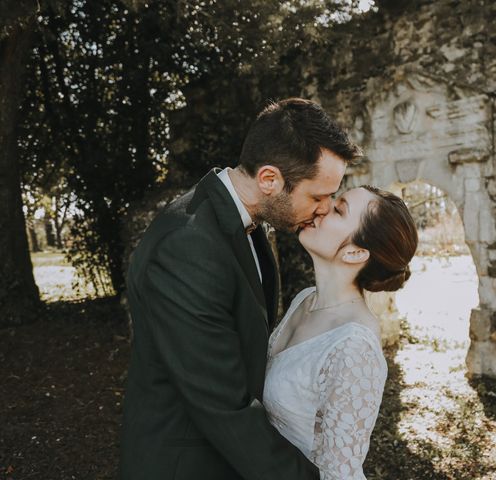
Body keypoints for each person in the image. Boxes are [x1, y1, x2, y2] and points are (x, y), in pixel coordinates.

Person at [118, 98, 361, 479]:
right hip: (186, 464)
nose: (325, 209)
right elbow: (223, 405)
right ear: (269, 180)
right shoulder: (187, 246)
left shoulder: (242, 220)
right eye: (317, 196)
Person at [263, 185, 418, 479]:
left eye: (339, 209)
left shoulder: (354, 347)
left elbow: (338, 473)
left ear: (355, 253)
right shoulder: (305, 299)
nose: (322, 206)